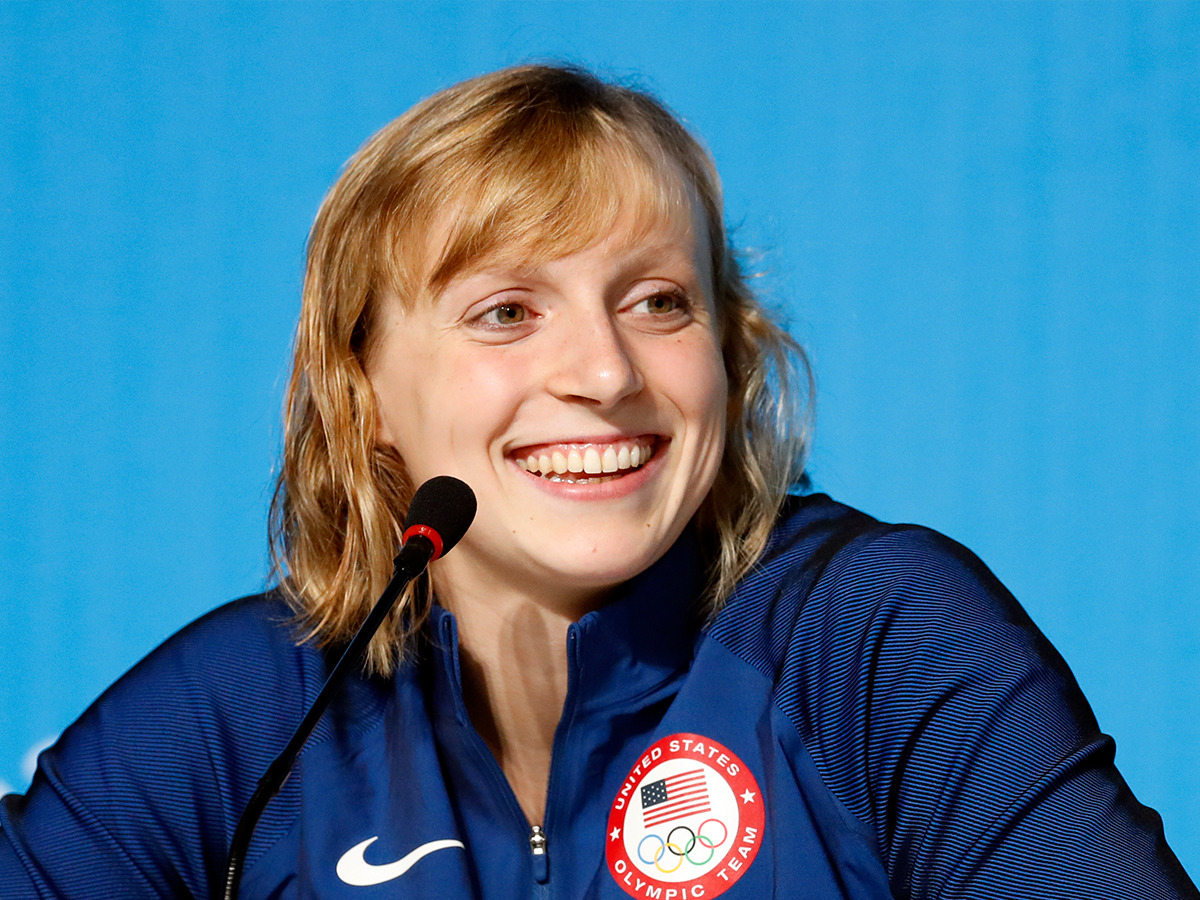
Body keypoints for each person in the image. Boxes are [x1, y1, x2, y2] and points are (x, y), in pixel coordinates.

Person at [1, 64, 1196, 900]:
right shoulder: (243, 715)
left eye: (658, 302)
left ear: (730, 355)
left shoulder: (874, 636)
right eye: (507, 311)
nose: (607, 372)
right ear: (364, 395)